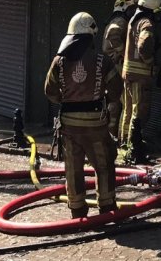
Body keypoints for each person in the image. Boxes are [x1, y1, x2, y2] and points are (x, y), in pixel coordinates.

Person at [43, 12, 121, 218]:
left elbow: (49, 91)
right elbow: (116, 90)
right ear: (91, 36)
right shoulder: (102, 61)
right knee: (103, 165)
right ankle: (106, 206)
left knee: (73, 168)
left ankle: (77, 209)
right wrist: (102, 95)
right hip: (96, 124)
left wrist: (66, 100)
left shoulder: (59, 61)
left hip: (69, 126)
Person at [121, 0, 161, 163]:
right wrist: (150, 60)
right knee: (139, 111)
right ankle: (135, 149)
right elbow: (144, 44)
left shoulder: (134, 19)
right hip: (140, 74)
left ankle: (124, 145)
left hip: (129, 72)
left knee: (128, 109)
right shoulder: (146, 22)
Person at [102, 0, 135, 139]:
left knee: (114, 102)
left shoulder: (115, 20)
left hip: (111, 65)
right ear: (122, 8)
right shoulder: (120, 21)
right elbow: (113, 35)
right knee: (123, 101)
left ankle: (111, 134)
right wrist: (124, 52)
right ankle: (120, 137)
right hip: (117, 65)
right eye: (130, 9)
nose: (132, 12)